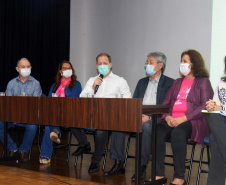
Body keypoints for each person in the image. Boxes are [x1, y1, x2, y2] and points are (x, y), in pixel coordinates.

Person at [104, 52, 174, 178]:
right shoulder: (141, 82)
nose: (147, 65)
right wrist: (135, 115)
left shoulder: (169, 83)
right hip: (138, 115)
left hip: (156, 118)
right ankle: (119, 162)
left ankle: (141, 167)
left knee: (146, 126)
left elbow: (168, 107)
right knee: (118, 123)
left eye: (150, 63)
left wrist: (150, 117)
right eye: (146, 62)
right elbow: (134, 102)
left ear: (160, 65)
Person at [154, 50, 213, 185]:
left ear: (194, 64)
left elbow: (205, 105)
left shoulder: (203, 82)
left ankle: (179, 177)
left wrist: (183, 118)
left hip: (193, 121)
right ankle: (159, 174)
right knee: (157, 131)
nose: (182, 64)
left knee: (178, 133)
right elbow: (165, 103)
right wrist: (167, 117)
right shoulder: (177, 82)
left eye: (185, 61)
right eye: (181, 61)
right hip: (172, 119)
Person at [71, 53, 132, 173]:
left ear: (110, 65)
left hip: (112, 117)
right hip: (93, 116)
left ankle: (96, 161)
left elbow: (128, 101)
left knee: (101, 130)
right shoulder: (91, 80)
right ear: (96, 66)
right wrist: (93, 87)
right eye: (100, 63)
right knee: (73, 120)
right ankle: (89, 151)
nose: (102, 65)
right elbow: (82, 98)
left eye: (105, 63)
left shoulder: (120, 81)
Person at [39, 60, 82, 164]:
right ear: (60, 71)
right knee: (49, 118)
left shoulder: (76, 84)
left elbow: (72, 101)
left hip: (69, 114)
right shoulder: (55, 85)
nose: (67, 70)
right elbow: (49, 100)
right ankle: (55, 131)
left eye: (69, 68)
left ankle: (46, 153)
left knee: (49, 120)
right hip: (54, 114)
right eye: (64, 68)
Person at [0, 58, 42, 161]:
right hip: (13, 117)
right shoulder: (11, 83)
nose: (26, 69)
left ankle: (24, 150)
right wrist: (15, 116)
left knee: (32, 126)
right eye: (23, 67)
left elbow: (35, 105)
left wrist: (22, 118)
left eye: (28, 66)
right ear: (17, 69)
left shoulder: (36, 84)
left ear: (31, 68)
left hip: (29, 117)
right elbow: (8, 104)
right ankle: (12, 148)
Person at [205, 56, 226, 185]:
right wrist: (211, 106)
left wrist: (222, 108)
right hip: (222, 124)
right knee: (213, 116)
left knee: (216, 138)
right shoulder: (222, 84)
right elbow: (216, 106)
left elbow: (221, 107)